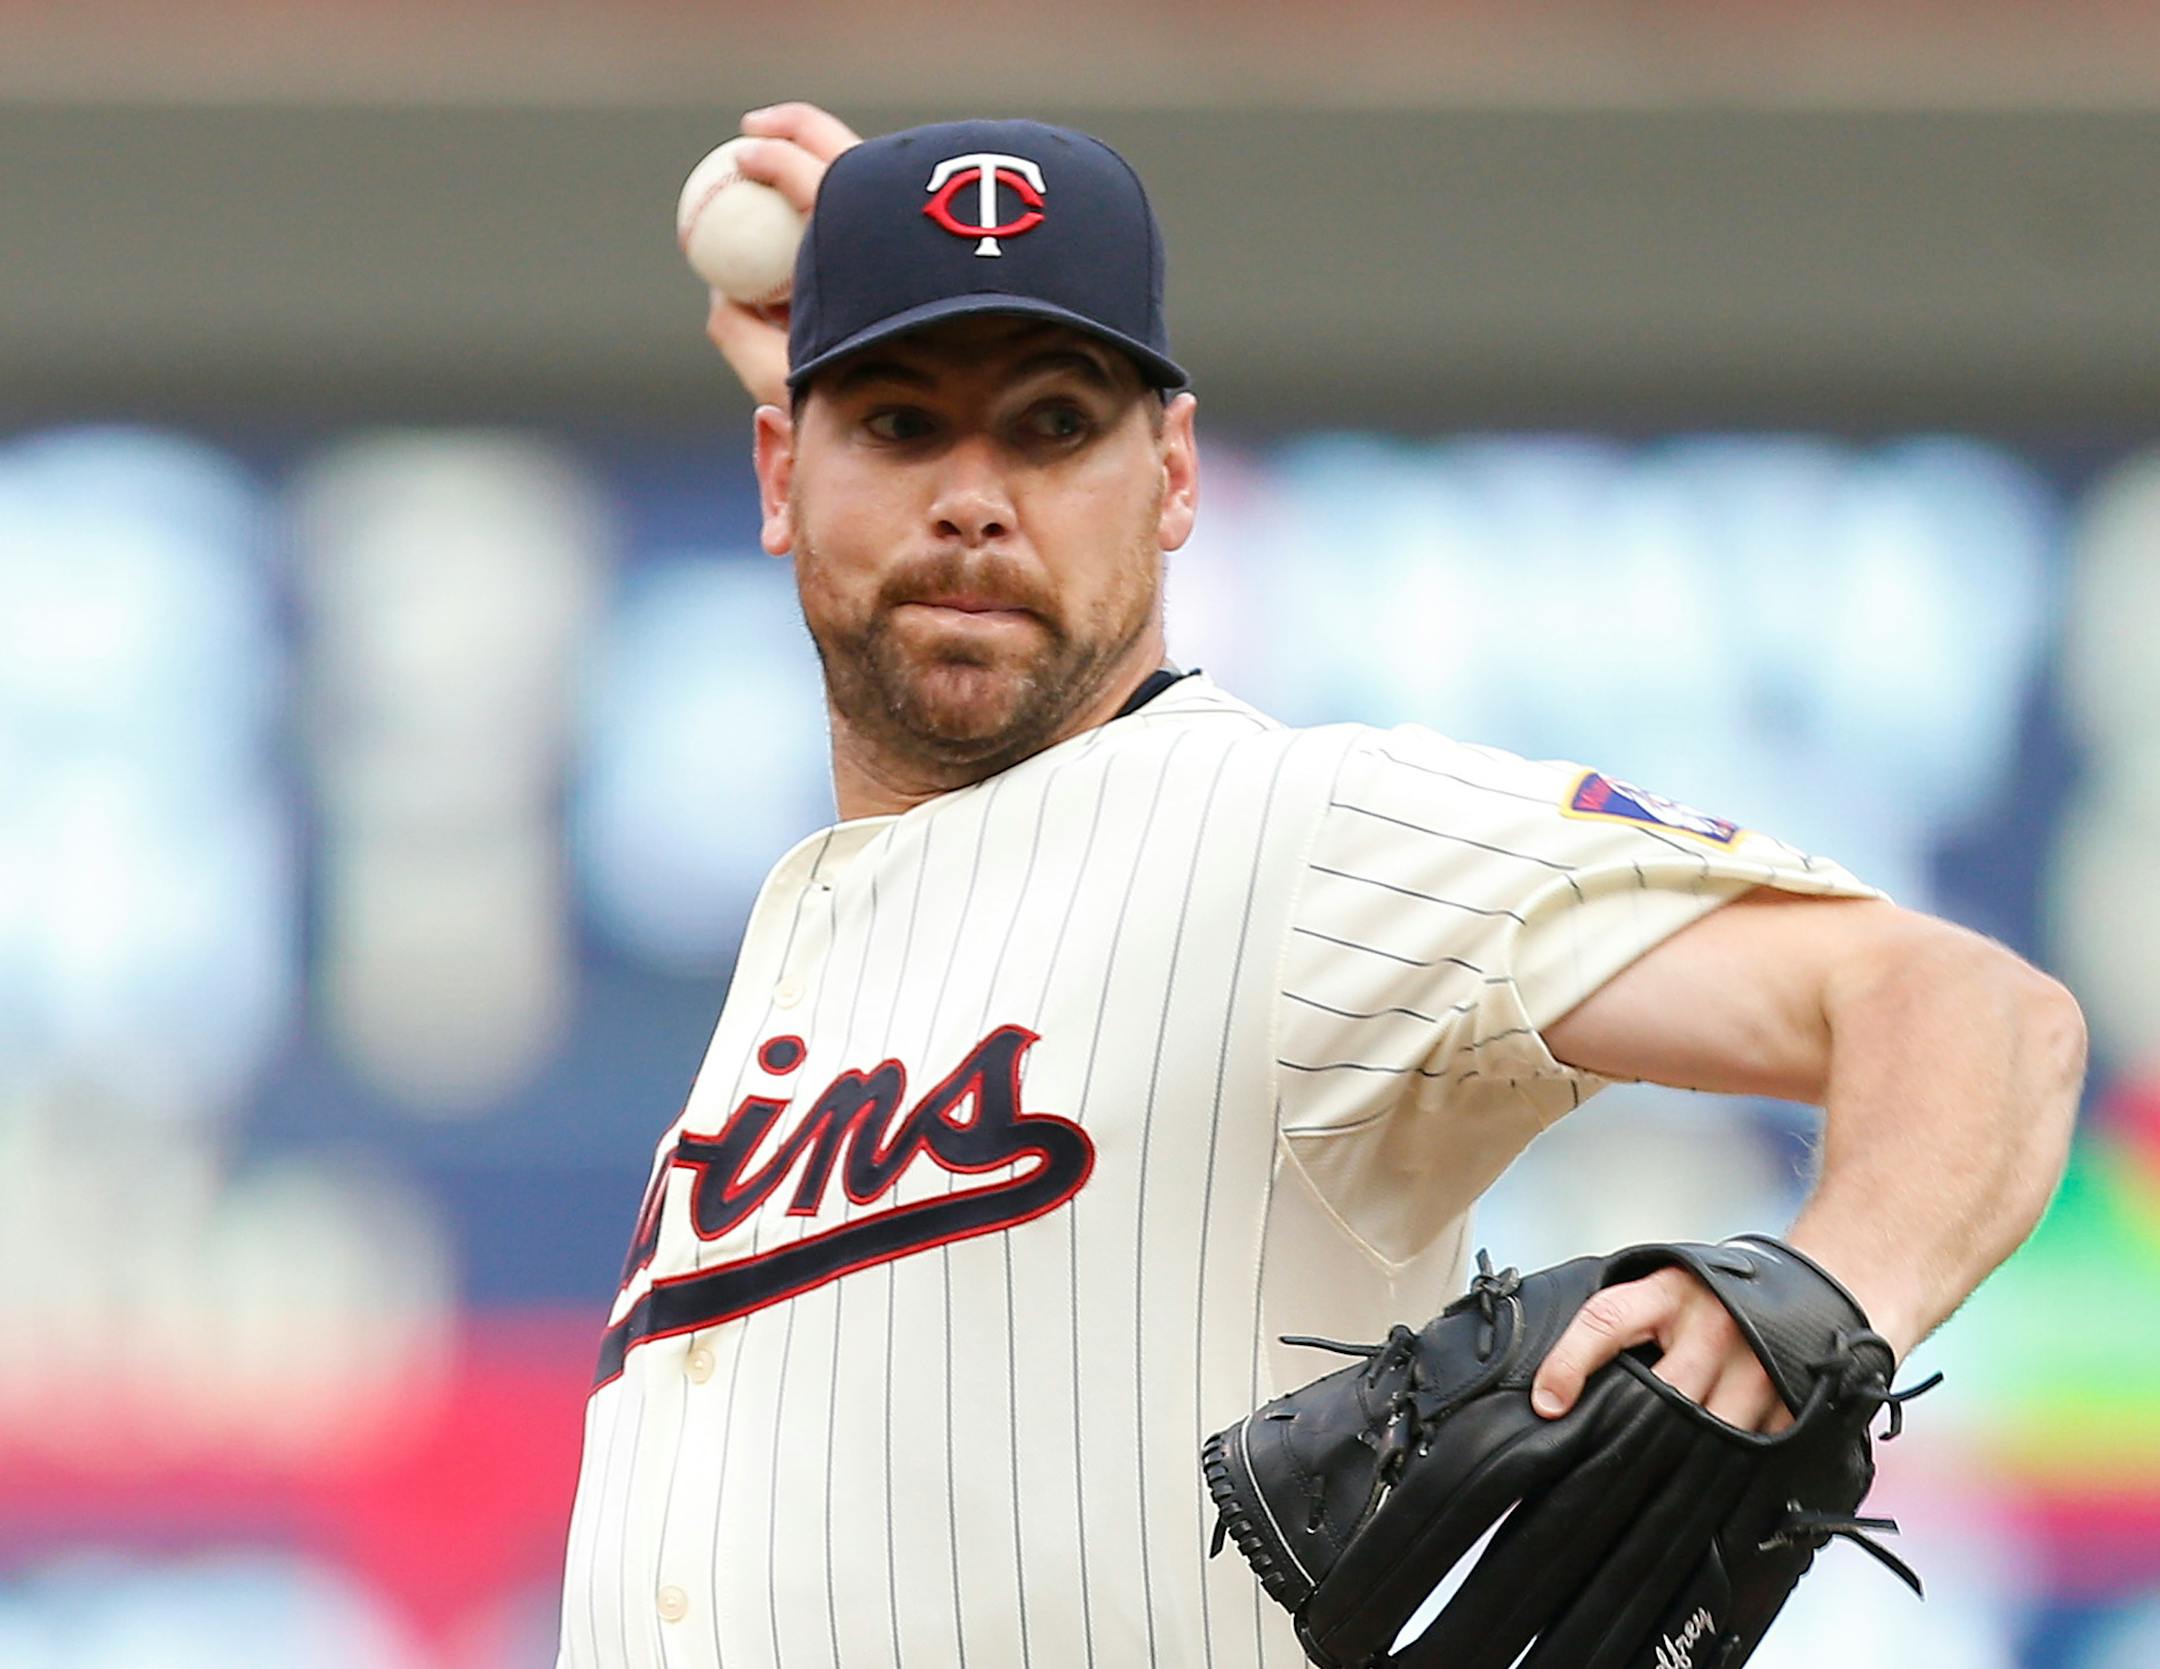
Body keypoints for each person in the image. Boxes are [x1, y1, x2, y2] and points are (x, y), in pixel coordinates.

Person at [554, 105, 2085, 1669]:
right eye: (898, 425)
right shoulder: (819, 936)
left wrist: (1820, 1297)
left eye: (1055, 424)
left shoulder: (1287, 839)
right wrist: (888, 282)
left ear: (1175, 479)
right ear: (775, 474)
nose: (974, 496)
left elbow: (1973, 1012)